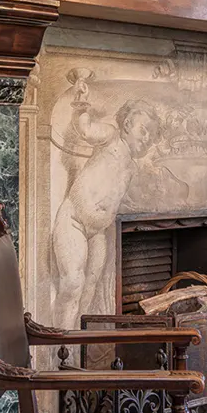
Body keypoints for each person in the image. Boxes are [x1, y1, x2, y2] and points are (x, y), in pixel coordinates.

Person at [50, 99, 160, 326]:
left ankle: (75, 338)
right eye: (144, 130)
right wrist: (81, 106)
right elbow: (86, 130)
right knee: (72, 283)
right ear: (127, 124)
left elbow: (119, 198)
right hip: (74, 220)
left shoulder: (132, 168)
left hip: (97, 231)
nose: (147, 138)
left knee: (90, 287)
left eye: (151, 135)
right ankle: (59, 338)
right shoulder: (111, 137)